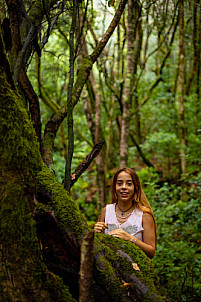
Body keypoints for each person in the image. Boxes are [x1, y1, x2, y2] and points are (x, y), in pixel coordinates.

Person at [94, 167, 157, 259]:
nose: (124, 187)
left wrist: (131, 239)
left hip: (135, 269)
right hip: (108, 269)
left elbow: (151, 252)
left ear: (135, 187)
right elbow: (99, 246)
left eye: (129, 184)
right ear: (115, 187)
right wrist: (95, 233)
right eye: (119, 184)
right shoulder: (106, 211)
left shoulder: (144, 215)